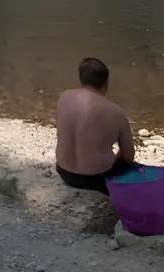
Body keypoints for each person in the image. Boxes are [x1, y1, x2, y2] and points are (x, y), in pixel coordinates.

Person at [54, 57, 136, 191]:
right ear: (106, 83)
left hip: (64, 172)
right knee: (128, 166)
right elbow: (128, 156)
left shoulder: (64, 97)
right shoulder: (116, 112)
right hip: (96, 179)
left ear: (81, 79)